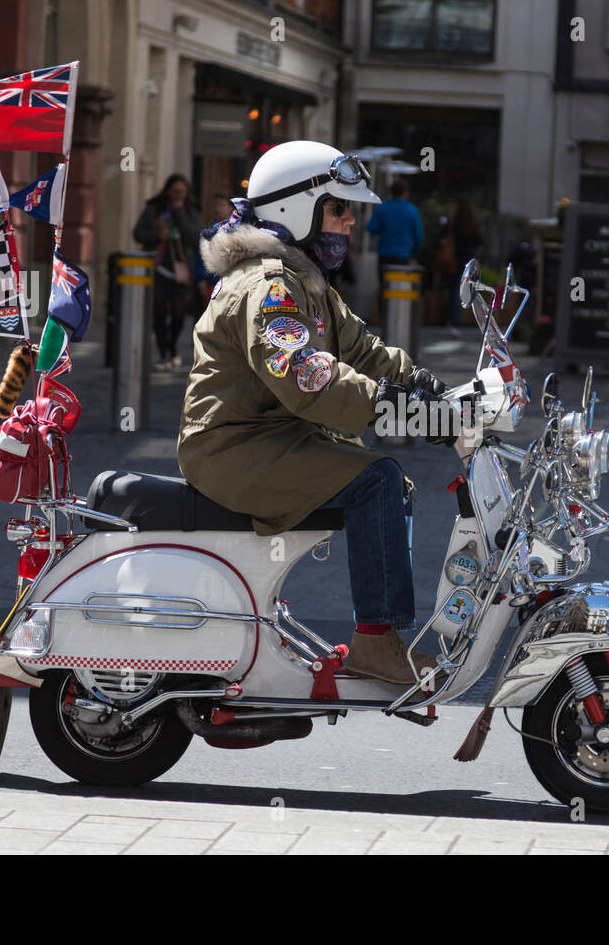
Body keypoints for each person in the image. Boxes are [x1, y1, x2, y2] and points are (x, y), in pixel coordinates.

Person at [178, 140, 454, 686]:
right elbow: (305, 374)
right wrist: (391, 407)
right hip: (232, 448)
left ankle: (380, 637)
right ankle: (377, 642)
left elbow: (363, 352)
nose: (351, 222)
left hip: (270, 437)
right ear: (294, 210)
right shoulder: (267, 287)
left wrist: (436, 391)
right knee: (378, 480)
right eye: (339, 208)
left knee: (382, 480)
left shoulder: (305, 281)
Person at [133, 174, 203, 372]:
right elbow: (138, 233)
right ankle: (164, 353)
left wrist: (179, 213)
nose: (178, 196)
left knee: (179, 314)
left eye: (182, 192)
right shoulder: (155, 208)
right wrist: (158, 235)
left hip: (182, 269)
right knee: (159, 312)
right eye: (175, 192)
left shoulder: (191, 210)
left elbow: (193, 237)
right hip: (157, 268)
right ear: (167, 191)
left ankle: (173, 347)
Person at [366, 179, 423, 318]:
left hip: (384, 253)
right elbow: (419, 236)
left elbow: (371, 228)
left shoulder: (381, 208)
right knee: (401, 286)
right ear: (405, 193)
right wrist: (414, 253)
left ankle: (383, 315)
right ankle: (399, 315)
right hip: (403, 255)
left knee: (384, 285)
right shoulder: (412, 210)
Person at [442, 195, 482, 335]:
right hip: (468, 261)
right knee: (463, 292)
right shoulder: (472, 222)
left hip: (454, 260)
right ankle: (455, 322)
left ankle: (451, 322)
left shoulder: (452, 222)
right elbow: (479, 241)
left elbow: (442, 236)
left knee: (453, 291)